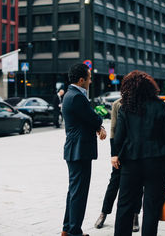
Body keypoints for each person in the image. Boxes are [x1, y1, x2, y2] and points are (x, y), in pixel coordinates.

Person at [112, 70, 165, 236]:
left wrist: (114, 155)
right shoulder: (160, 105)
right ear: (150, 87)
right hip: (157, 162)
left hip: (131, 162)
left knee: (124, 205)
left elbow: (119, 135)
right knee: (152, 207)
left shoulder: (126, 106)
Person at [61, 63, 107, 236]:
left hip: (75, 149)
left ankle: (67, 229)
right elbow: (92, 117)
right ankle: (74, 232)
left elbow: (86, 119)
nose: (91, 80)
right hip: (79, 150)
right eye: (89, 77)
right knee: (79, 193)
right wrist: (99, 126)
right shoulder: (77, 97)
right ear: (81, 80)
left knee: (74, 192)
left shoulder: (69, 95)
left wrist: (96, 126)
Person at [94, 98, 142, 232]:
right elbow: (113, 129)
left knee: (138, 185)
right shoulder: (117, 104)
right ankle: (104, 213)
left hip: (137, 150)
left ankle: (135, 215)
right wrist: (113, 154)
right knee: (114, 182)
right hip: (121, 150)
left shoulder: (143, 102)